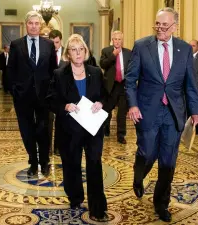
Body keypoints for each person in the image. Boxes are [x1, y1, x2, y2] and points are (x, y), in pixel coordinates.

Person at [125, 7, 198, 222]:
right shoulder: (141, 46)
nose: (160, 28)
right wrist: (132, 105)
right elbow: (131, 81)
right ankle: (139, 175)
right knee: (147, 153)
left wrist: (195, 111)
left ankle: (161, 204)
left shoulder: (184, 49)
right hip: (147, 110)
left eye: (164, 25)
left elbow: (190, 84)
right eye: (157, 24)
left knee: (168, 162)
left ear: (174, 27)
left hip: (173, 113)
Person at [46, 34, 109, 222]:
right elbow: (50, 99)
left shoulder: (96, 72)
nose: (78, 52)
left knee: (94, 164)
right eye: (73, 49)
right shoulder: (59, 75)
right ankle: (75, 197)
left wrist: (101, 103)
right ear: (68, 54)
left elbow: (107, 96)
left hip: (93, 128)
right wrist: (64, 106)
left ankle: (97, 207)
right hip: (70, 130)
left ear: (86, 51)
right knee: (71, 164)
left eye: (81, 49)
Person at [7, 11, 57, 177]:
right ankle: (33, 163)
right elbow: (10, 71)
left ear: (40, 25)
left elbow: (53, 71)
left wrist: (52, 93)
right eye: (31, 23)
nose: (34, 26)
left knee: (43, 130)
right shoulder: (16, 45)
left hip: (44, 97)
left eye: (37, 23)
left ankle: (44, 161)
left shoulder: (48, 44)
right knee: (27, 131)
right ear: (26, 24)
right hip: (23, 97)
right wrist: (15, 91)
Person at [100, 30, 132, 144]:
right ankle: (105, 129)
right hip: (111, 85)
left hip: (123, 85)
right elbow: (102, 64)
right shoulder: (106, 51)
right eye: (115, 39)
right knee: (107, 109)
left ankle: (121, 135)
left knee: (122, 112)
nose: (117, 41)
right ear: (112, 40)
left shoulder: (129, 52)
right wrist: (113, 56)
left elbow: (132, 68)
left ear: (122, 41)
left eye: (119, 39)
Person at [48, 29, 65, 156]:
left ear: (60, 40)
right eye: (52, 42)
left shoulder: (67, 53)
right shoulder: (46, 53)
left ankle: (58, 148)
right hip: (49, 93)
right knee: (48, 121)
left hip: (63, 93)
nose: (55, 45)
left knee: (61, 121)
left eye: (57, 42)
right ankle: (47, 148)